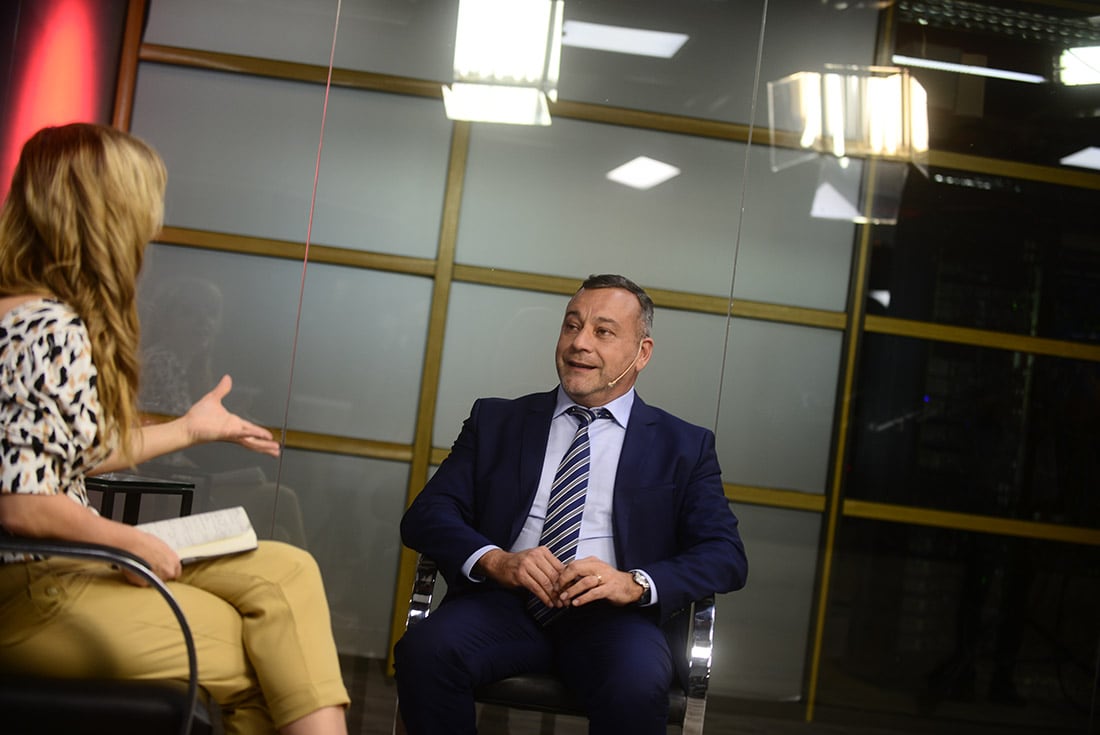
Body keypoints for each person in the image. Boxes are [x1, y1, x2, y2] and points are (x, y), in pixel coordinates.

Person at [0, 123, 349, 735]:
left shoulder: (21, 310)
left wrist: (190, 429)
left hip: (47, 570)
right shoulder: (49, 327)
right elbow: (24, 507)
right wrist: (127, 541)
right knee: (270, 661)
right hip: (31, 592)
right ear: (106, 214)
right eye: (145, 205)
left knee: (288, 571)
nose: (153, 225)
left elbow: (63, 458)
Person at [393, 273, 748, 735]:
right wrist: (498, 561)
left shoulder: (684, 446)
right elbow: (426, 517)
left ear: (642, 353)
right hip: (503, 605)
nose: (579, 343)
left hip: (615, 619)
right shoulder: (497, 420)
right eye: (571, 326)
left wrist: (635, 583)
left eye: (603, 331)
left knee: (637, 683)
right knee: (425, 650)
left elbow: (725, 555)